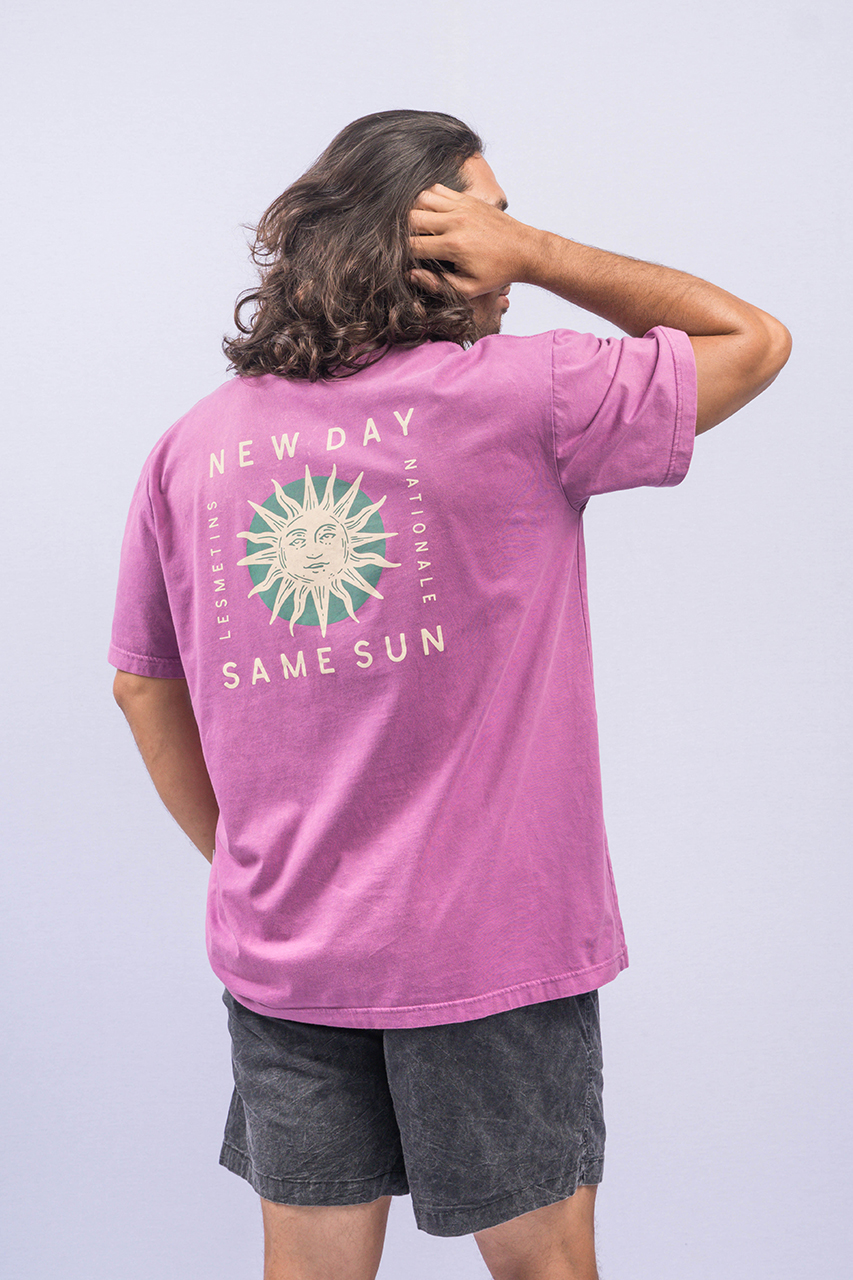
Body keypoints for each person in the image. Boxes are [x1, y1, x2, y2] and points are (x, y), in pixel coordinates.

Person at [109, 109, 791, 1280]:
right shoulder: (525, 397)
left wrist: (250, 864)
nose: (503, 248)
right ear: (430, 239)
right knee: (543, 1264)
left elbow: (140, 684)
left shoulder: (193, 447)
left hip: (286, 952)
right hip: (486, 947)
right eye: (489, 218)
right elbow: (753, 340)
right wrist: (543, 254)